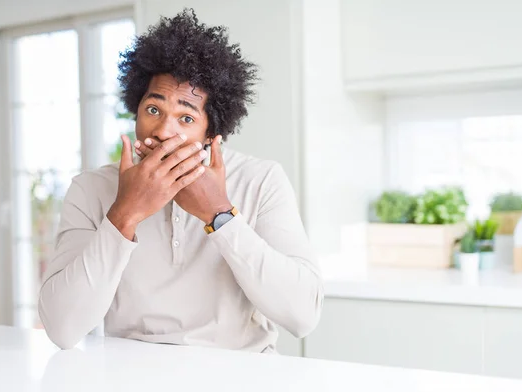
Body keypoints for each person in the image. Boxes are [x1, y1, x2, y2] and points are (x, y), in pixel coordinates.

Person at [38, 9, 323, 353]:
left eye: (186, 117)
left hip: (243, 376)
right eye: (153, 110)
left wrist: (220, 215)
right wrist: (124, 213)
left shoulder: (260, 180)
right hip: (131, 376)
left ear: (211, 133)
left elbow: (303, 315)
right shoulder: (90, 189)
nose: (162, 131)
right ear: (136, 109)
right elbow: (62, 328)